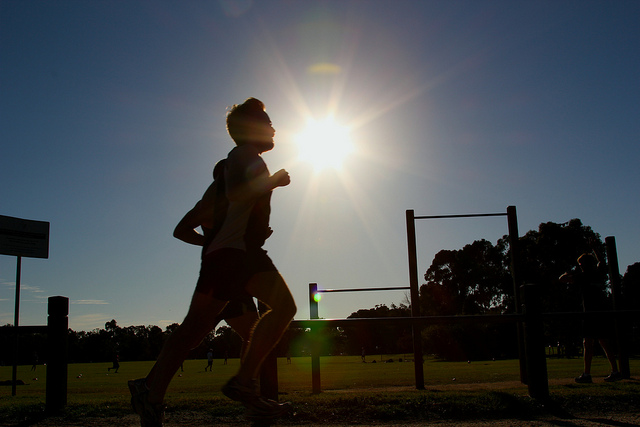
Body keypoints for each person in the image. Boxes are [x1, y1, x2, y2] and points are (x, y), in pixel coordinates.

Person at [128, 98, 296, 426]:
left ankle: (153, 392)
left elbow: (231, 204)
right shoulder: (244, 156)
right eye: (267, 121)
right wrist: (273, 181)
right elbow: (236, 193)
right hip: (232, 255)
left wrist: (243, 231)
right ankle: (235, 386)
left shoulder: (243, 161)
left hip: (239, 253)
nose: (274, 127)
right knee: (198, 329)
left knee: (198, 329)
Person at [559, 252, 622, 383]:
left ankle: (587, 374)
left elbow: (562, 279)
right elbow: (602, 263)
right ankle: (615, 371)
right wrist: (596, 250)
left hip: (590, 314)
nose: (580, 266)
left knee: (588, 344)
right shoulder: (597, 274)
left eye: (581, 264)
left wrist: (569, 273)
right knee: (604, 343)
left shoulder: (583, 276)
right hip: (601, 312)